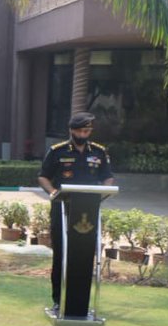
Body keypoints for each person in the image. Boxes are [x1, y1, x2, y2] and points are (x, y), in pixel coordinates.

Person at [37, 111, 115, 311]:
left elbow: (107, 177)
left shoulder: (98, 152)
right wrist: (53, 192)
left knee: (85, 254)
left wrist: (103, 191)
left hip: (88, 208)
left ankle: (81, 304)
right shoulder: (57, 151)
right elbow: (43, 176)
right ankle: (59, 301)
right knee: (62, 253)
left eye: (87, 131)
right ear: (71, 130)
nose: (83, 134)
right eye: (80, 131)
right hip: (63, 208)